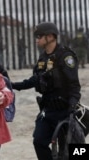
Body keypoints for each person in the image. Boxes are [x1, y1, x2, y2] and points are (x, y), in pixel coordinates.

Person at [12, 22, 81, 160]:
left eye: (39, 36)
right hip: (48, 110)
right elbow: (35, 79)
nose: (36, 39)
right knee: (38, 141)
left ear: (50, 37)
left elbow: (74, 85)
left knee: (70, 150)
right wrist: (14, 85)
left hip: (65, 110)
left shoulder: (66, 56)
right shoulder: (42, 58)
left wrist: (72, 107)